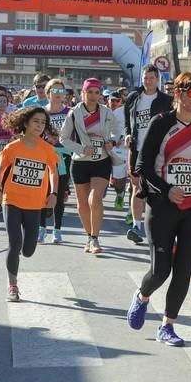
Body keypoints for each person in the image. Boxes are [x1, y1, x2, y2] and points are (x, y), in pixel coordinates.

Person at [127, 72, 191, 347]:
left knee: (183, 270)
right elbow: (142, 167)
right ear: (178, 93)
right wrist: (167, 190)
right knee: (161, 270)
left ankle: (168, 326)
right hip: (163, 205)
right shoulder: (161, 123)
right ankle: (142, 297)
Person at [0, 107, 59, 302]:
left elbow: (53, 171)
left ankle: (23, 245)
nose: (39, 126)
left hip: (34, 204)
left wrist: (53, 193)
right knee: (14, 244)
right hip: (11, 200)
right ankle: (12, 285)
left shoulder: (47, 149)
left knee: (28, 250)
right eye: (36, 121)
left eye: (43, 123)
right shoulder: (12, 148)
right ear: (26, 123)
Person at [60, 78, 122, 254]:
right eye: (90, 92)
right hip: (80, 162)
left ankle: (95, 238)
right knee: (82, 204)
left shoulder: (106, 112)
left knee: (94, 199)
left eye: (96, 92)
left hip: (101, 160)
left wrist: (112, 140)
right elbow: (63, 138)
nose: (93, 96)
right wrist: (81, 148)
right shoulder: (74, 113)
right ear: (83, 93)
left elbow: (117, 130)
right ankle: (89, 236)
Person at [123, 64, 173, 243]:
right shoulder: (133, 97)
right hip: (137, 149)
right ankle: (136, 226)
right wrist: (128, 133)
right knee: (137, 186)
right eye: (145, 78)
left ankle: (161, 226)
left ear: (157, 79)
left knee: (159, 186)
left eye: (151, 78)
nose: (148, 81)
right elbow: (128, 120)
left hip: (159, 149)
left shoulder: (166, 100)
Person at [38, 78, 72, 244]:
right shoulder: (42, 112)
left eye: (61, 91)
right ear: (48, 93)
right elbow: (35, 132)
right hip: (44, 156)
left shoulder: (70, 112)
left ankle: (57, 229)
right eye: (55, 91)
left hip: (63, 157)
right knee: (43, 192)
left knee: (58, 193)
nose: (58, 94)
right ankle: (41, 227)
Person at [107, 90, 128, 211]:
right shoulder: (104, 112)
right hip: (108, 148)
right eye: (112, 100)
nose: (114, 103)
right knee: (115, 180)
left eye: (117, 101)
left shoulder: (124, 112)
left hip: (122, 149)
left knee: (120, 178)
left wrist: (122, 137)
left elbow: (128, 126)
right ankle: (119, 193)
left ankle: (121, 195)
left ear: (121, 101)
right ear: (108, 101)